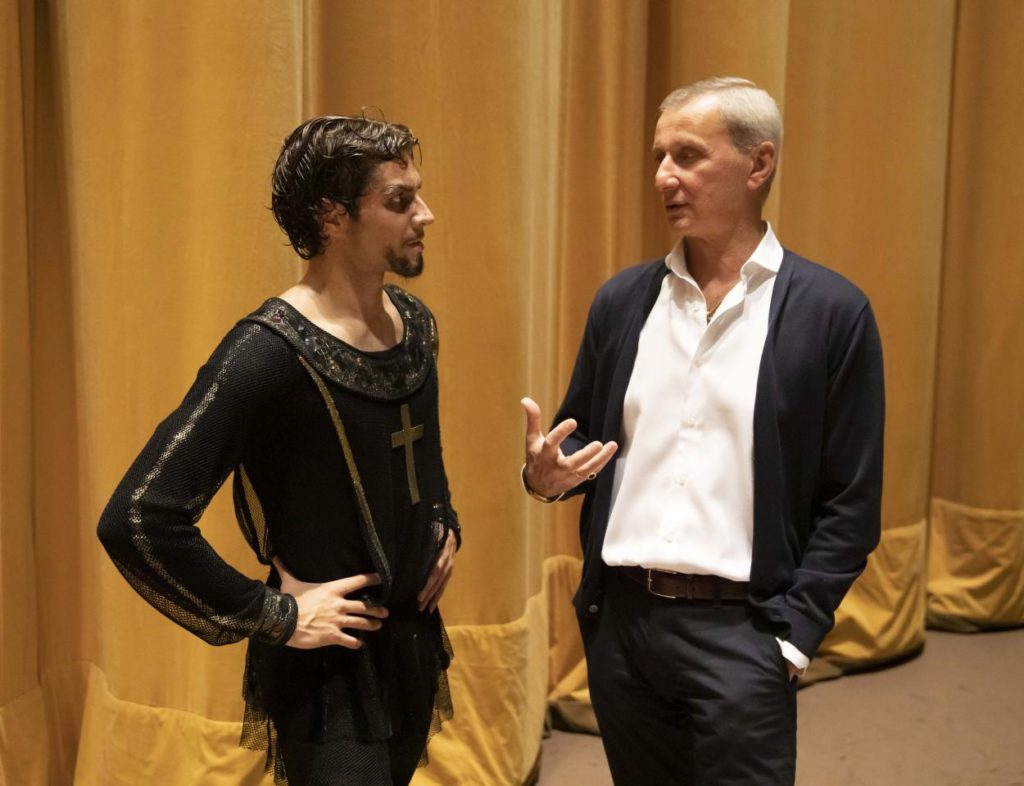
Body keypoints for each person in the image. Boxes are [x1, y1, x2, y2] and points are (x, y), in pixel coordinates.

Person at [521, 76, 884, 785]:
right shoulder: (623, 303)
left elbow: (852, 499)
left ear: (758, 165)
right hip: (623, 627)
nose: (664, 177)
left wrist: (794, 637)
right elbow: (580, 441)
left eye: (688, 156)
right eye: (659, 156)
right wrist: (546, 475)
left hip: (745, 634)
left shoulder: (832, 313)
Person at [98, 116, 461, 786]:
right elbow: (140, 515)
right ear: (332, 216)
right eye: (400, 200)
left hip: (411, 649)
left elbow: (419, 457)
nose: (426, 215)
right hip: (325, 679)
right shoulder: (265, 354)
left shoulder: (415, 326)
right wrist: (275, 614)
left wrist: (444, 524)